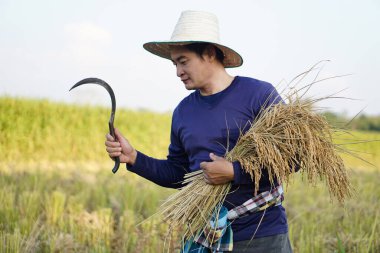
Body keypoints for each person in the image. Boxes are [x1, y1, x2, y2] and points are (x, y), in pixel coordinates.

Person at [105, 10, 293, 253]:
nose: (177, 71)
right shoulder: (183, 112)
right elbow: (180, 174)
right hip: (204, 235)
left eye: (183, 61)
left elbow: (292, 158)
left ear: (209, 54)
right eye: (174, 64)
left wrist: (234, 172)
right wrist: (134, 158)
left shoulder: (259, 95)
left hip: (261, 235)